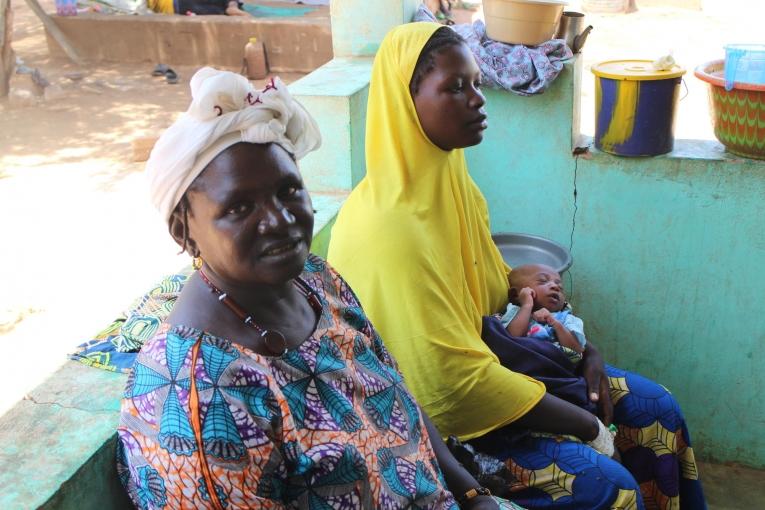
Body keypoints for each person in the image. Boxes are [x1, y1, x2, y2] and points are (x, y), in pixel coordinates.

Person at [327, 23, 707, 510]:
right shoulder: (386, 226)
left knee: (660, 412)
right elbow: (447, 382)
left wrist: (579, 348)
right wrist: (585, 422)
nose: (477, 100)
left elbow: (487, 300)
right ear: (406, 99)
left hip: (498, 363)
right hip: (445, 430)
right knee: (611, 489)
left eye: (477, 84)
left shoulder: (453, 185)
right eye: (455, 87)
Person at [117, 67, 522, 510]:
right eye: (239, 206)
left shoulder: (315, 280)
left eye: (289, 189)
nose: (280, 220)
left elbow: (397, 396)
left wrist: (471, 492)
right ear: (184, 230)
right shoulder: (197, 397)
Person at [501, 264, 585, 363]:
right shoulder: (515, 311)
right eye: (543, 281)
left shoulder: (569, 319)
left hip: (556, 371)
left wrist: (555, 323)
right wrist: (527, 305)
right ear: (516, 295)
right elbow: (512, 339)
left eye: (560, 287)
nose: (555, 287)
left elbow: (577, 350)